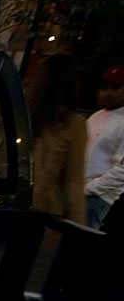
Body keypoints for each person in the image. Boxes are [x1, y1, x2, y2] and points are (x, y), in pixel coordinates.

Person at [25, 54, 86, 223]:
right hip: (46, 217)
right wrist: (77, 228)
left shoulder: (25, 116)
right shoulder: (73, 123)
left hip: (15, 209)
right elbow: (73, 184)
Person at [84, 64, 124, 228]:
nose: (107, 92)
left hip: (98, 197)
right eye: (104, 87)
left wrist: (91, 188)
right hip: (80, 191)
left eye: (115, 87)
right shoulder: (96, 116)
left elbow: (121, 170)